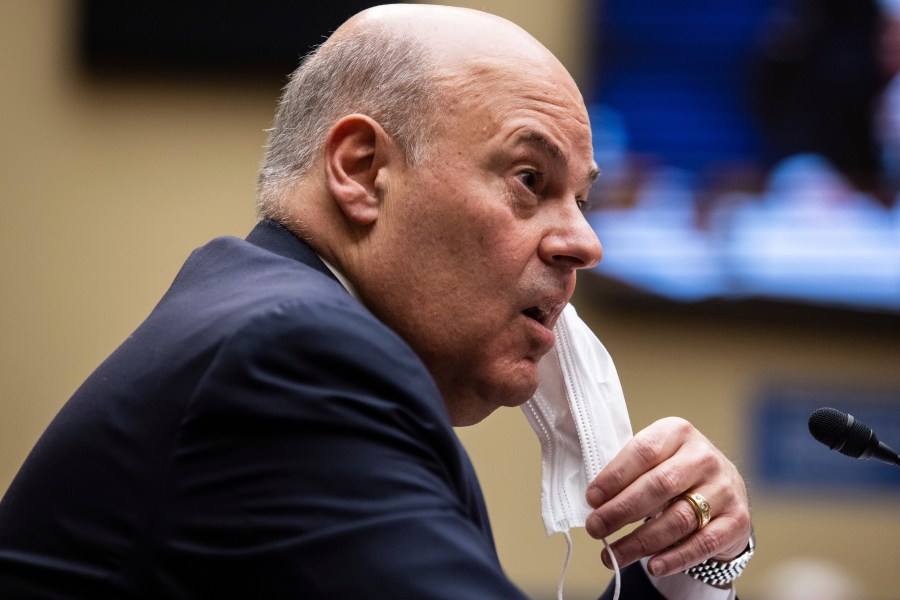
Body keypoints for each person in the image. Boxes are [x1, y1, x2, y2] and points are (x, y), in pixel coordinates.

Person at [0, 4, 752, 598]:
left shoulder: (271, 325)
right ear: (361, 171)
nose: (586, 243)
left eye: (582, 201)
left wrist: (683, 565)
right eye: (530, 180)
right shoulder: (292, 361)